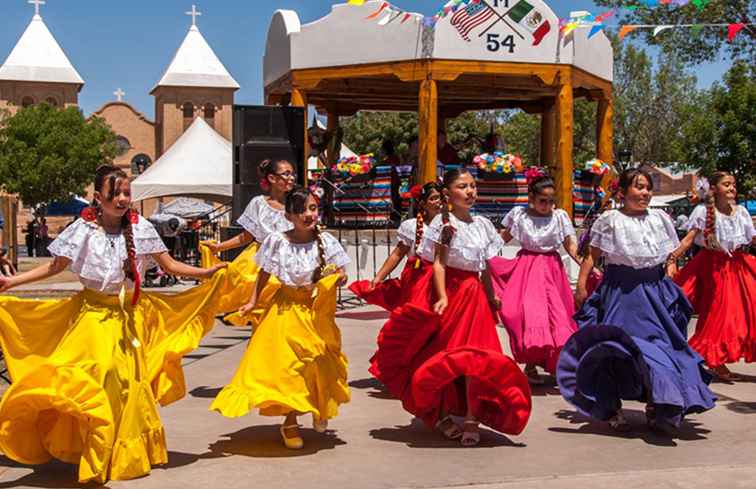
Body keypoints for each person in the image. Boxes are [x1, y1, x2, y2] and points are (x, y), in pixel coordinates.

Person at [0, 165, 227, 483]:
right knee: (86, 376)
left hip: (126, 319)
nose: (122, 199)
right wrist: (13, 282)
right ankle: (88, 446)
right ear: (98, 197)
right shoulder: (84, 229)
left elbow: (170, 264)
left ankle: (110, 454)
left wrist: (204, 274)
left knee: (121, 386)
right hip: (91, 316)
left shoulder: (141, 228)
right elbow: (56, 266)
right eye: (115, 193)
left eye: (126, 193)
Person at [367, 168, 531, 446]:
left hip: (475, 295)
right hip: (452, 295)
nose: (470, 191)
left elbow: (485, 267)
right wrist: (441, 295)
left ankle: (471, 416)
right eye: (463, 187)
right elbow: (440, 264)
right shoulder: (444, 224)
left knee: (477, 359)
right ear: (448, 194)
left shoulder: (482, 224)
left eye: (473, 186)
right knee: (445, 356)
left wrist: (492, 296)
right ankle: (440, 413)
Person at [557, 168, 716, 435]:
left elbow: (669, 254)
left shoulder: (660, 219)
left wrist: (670, 270)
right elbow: (592, 257)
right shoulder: (610, 220)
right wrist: (582, 286)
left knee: (661, 351)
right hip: (620, 293)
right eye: (638, 187)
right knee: (613, 350)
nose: (644, 193)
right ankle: (611, 408)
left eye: (647, 188)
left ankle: (657, 404)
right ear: (622, 192)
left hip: (654, 293)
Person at [210, 187, 351, 450]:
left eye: (312, 208)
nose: (308, 215)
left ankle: (319, 407)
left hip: (314, 312)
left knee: (318, 363)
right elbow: (264, 271)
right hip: (284, 309)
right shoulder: (277, 240)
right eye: (301, 211)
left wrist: (338, 277)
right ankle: (290, 420)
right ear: (289, 216)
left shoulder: (327, 241)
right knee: (287, 367)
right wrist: (253, 300)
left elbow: (341, 271)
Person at [489, 173, 579, 384]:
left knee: (556, 316)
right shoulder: (519, 215)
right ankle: (530, 364)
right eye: (542, 201)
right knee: (524, 314)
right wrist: (483, 257)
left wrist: (584, 263)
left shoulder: (560, 217)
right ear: (531, 197)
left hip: (552, 269)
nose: (547, 205)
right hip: (527, 269)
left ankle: (556, 364)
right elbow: (502, 238)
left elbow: (569, 245)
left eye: (550, 201)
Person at [671, 171, 756, 381]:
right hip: (714, 268)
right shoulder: (704, 211)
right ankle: (711, 358)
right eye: (726, 184)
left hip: (738, 265)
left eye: (733, 184)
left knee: (748, 311)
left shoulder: (742, 212)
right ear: (715, 189)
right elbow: (689, 240)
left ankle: (717, 359)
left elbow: (753, 239)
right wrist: (671, 258)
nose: (732, 188)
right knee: (721, 315)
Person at [200, 159, 295, 318]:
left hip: (288, 259)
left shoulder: (296, 203)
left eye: (292, 174)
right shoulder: (258, 203)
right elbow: (246, 236)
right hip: (260, 257)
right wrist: (219, 247)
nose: (291, 178)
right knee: (256, 293)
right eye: (286, 174)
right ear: (272, 178)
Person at [349, 182, 442, 311]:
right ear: (422, 204)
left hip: (443, 278)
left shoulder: (450, 225)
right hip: (418, 279)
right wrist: (378, 278)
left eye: (440, 197)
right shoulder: (412, 226)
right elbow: (397, 254)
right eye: (433, 198)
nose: (439, 201)